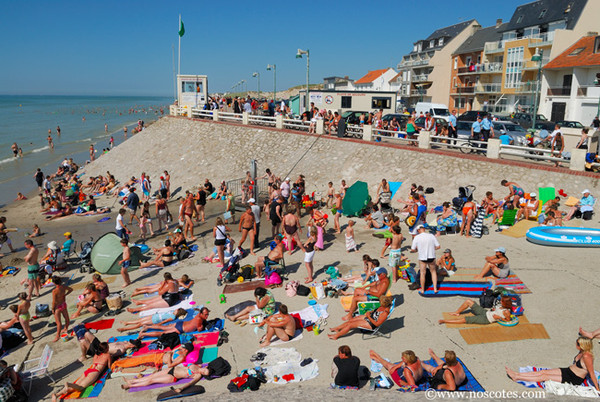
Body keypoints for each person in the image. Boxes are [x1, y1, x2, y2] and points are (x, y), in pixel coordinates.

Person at [506, 337, 599, 390]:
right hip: (568, 371)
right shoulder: (582, 352)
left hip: (574, 378)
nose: (576, 345)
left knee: (544, 377)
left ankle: (517, 377)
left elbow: (591, 373)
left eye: (578, 343)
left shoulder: (587, 357)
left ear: (582, 345)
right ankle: (517, 374)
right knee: (542, 372)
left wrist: (597, 389)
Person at [120, 362, 211, 392]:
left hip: (172, 377)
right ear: (205, 367)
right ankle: (132, 381)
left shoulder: (198, 375)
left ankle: (131, 385)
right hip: (172, 369)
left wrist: (181, 388)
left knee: (152, 380)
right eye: (204, 370)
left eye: (204, 373)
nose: (202, 372)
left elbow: (191, 382)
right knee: (152, 375)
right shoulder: (199, 366)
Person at [137, 307, 210, 339]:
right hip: (180, 329)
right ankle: (143, 334)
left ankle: (147, 327)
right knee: (162, 333)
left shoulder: (199, 315)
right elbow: (199, 329)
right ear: (201, 314)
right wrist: (202, 326)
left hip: (180, 323)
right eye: (205, 315)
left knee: (163, 327)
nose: (207, 316)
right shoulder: (199, 319)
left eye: (207, 314)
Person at [439, 296, 512, 325]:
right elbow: (496, 309)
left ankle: (445, 321)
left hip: (486, 319)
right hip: (485, 312)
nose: (500, 301)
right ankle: (457, 312)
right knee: (468, 301)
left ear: (504, 303)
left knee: (465, 319)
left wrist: (499, 318)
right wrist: (494, 310)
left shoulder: (506, 312)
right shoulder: (500, 305)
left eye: (501, 300)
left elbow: (508, 321)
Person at [411, 225, 441, 294]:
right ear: (424, 229)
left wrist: (417, 250)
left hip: (422, 257)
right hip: (431, 256)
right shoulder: (431, 236)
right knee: (433, 272)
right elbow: (438, 246)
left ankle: (423, 289)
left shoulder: (417, 237)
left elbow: (413, 249)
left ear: (418, 230)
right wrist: (433, 249)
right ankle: (435, 289)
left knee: (422, 273)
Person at [117, 308, 187, 332]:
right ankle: (127, 323)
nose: (175, 310)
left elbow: (165, 321)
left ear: (178, 312)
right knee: (140, 320)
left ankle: (125, 329)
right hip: (154, 316)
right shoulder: (172, 312)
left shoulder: (173, 316)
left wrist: (158, 324)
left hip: (155, 320)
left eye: (176, 310)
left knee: (140, 324)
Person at [51, 276, 73, 342]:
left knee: (58, 323)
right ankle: (66, 329)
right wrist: (65, 294)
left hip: (57, 307)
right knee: (66, 318)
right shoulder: (63, 287)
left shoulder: (54, 291)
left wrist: (52, 308)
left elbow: (54, 301)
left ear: (54, 283)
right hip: (63, 304)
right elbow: (71, 289)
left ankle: (57, 335)